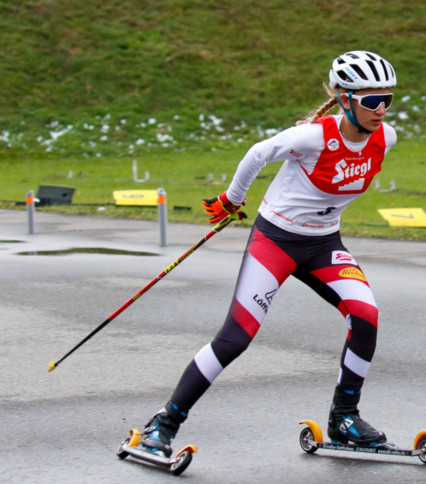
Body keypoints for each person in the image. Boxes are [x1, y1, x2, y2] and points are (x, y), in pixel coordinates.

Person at [138, 50, 398, 457]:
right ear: (345, 98)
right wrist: (231, 200)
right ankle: (165, 422)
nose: (381, 109)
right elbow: (258, 153)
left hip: (324, 245)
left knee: (365, 315)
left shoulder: (386, 137)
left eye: (388, 99)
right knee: (235, 338)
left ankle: (344, 417)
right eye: (371, 100)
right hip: (275, 241)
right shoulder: (311, 137)